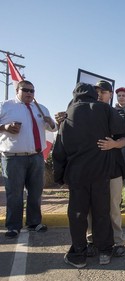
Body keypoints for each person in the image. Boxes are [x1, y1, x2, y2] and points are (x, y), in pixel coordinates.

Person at [52, 83, 125, 268]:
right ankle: (105, 251)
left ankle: (79, 254)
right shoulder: (104, 109)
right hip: (101, 172)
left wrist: (59, 177)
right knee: (102, 212)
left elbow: (59, 150)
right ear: (94, 94)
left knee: (78, 214)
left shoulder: (68, 114)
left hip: (77, 174)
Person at [0, 80, 56, 239]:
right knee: (14, 193)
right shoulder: (5, 106)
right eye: (26, 90)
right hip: (13, 158)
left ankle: (34, 222)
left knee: (35, 192)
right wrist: (5, 127)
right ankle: (13, 226)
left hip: (36, 157)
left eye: (32, 91)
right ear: (17, 90)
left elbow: (53, 128)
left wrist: (50, 121)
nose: (30, 93)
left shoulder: (41, 108)